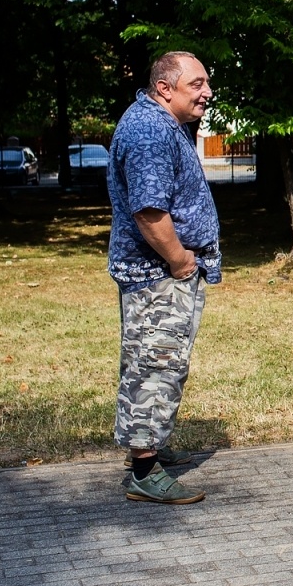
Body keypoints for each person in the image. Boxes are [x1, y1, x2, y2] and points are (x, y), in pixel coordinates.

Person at [109, 51, 222, 505]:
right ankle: (143, 469)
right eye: (197, 84)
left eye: (206, 83)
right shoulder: (150, 130)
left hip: (162, 272)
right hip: (157, 273)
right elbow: (149, 210)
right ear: (165, 88)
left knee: (160, 362)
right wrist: (178, 261)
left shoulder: (158, 124)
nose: (207, 93)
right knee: (155, 364)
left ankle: (151, 445)